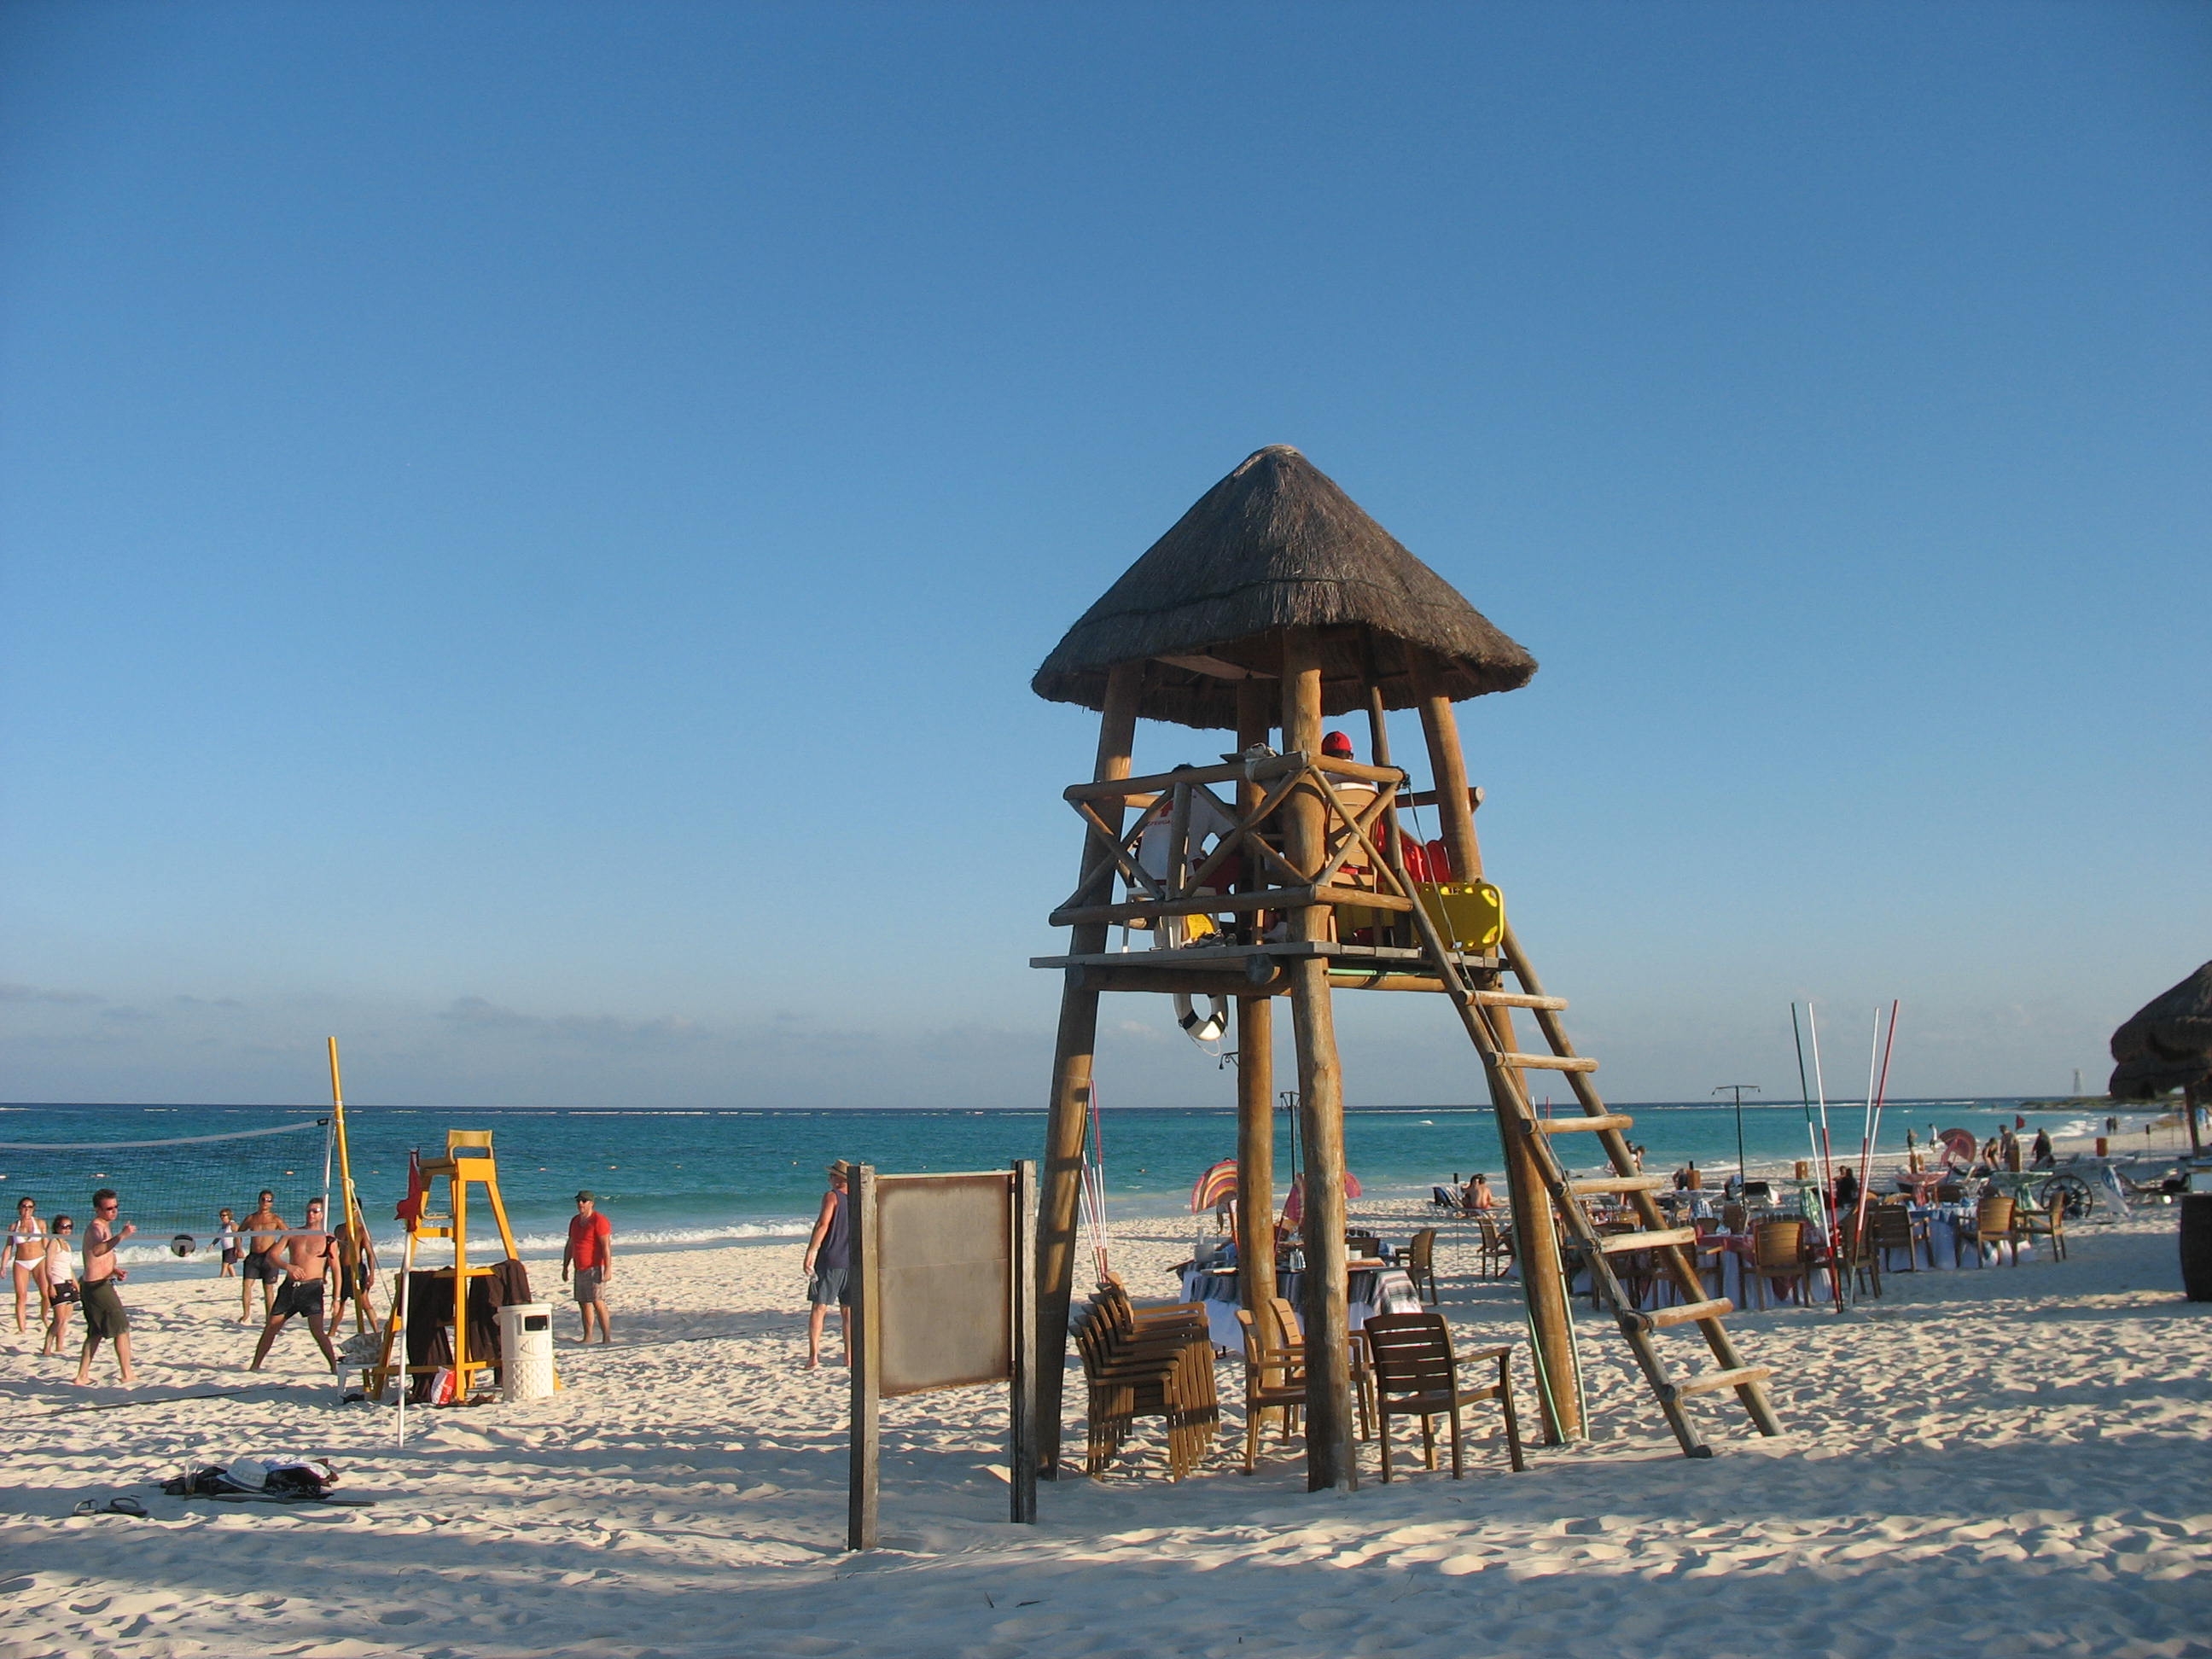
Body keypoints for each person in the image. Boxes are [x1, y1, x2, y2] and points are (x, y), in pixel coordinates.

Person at [250, 1196, 340, 1372]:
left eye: (315, 1211)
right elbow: (272, 1255)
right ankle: (255, 1365)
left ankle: (334, 1368)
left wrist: (336, 1298)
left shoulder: (328, 1239)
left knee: (318, 1332)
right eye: (308, 1211)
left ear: (322, 1215)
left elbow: (336, 1269)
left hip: (312, 1289)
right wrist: (288, 1266)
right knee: (271, 1327)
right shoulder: (292, 1233)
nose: (310, 1215)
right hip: (290, 1288)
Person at [74, 1188, 136, 1386]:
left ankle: (82, 1375)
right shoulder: (96, 1227)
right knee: (122, 1328)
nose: (114, 1211)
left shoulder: (103, 1225)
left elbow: (95, 1258)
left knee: (96, 1332)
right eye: (109, 1208)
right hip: (97, 1287)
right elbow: (98, 1249)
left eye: (116, 1207)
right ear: (97, 1209)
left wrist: (114, 1269)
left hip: (97, 1283)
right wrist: (122, 1236)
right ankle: (127, 1373)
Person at [802, 1162, 853, 1370]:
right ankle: (849, 1356)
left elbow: (823, 1224)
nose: (829, 1180)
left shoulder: (832, 1197)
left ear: (838, 1179)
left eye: (831, 1176)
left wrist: (811, 1252)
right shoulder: (859, 1200)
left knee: (819, 1307)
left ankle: (814, 1357)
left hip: (831, 1259)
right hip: (852, 1261)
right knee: (848, 1311)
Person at [562, 1190, 614, 1344]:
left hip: (595, 1266)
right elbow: (570, 1244)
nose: (581, 1204)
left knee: (598, 1301)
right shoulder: (575, 1221)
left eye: (584, 1201)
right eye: (579, 1201)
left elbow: (606, 1246)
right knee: (583, 1302)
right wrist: (565, 1267)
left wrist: (608, 1268)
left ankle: (606, 1337)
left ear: (591, 1203)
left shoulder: (599, 1220)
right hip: (580, 1267)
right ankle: (588, 1336)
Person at [239, 1190, 288, 1322]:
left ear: (272, 1203)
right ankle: (246, 1315)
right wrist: (238, 1249)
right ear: (259, 1201)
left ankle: (269, 1317)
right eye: (263, 1199)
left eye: (269, 1200)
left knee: (268, 1288)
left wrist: (279, 1249)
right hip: (253, 1256)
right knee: (247, 1285)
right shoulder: (251, 1218)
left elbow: (288, 1234)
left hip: (269, 1257)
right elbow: (238, 1234)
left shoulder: (275, 1219)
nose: (266, 1202)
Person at [7, 1195, 47, 1335]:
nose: (27, 1209)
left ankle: (44, 1317)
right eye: (24, 1206)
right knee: (21, 1296)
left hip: (39, 1260)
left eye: (30, 1207)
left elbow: (46, 1244)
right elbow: (8, 1247)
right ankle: (21, 1328)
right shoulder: (13, 1226)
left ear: (33, 1209)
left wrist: (51, 1262)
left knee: (46, 1293)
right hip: (21, 1262)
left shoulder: (40, 1223)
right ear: (19, 1209)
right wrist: (2, 1266)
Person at [40, 1214, 78, 1358]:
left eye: (69, 1227)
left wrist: (75, 1283)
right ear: (57, 1228)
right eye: (63, 1227)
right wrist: (50, 1285)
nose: (66, 1230)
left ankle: (60, 1345)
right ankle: (47, 1347)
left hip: (68, 1281)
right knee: (59, 1319)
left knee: (66, 1318)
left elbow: (68, 1267)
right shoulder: (54, 1243)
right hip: (57, 1283)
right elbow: (47, 1267)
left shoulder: (66, 1245)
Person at [214, 1208, 240, 1278]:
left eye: (224, 1215)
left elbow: (238, 1237)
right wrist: (212, 1244)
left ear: (229, 1216)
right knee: (229, 1265)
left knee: (225, 1264)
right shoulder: (223, 1226)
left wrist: (238, 1248)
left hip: (232, 1248)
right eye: (221, 1216)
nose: (222, 1217)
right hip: (225, 1248)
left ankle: (221, 1278)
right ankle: (234, 1277)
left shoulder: (232, 1224)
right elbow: (218, 1237)